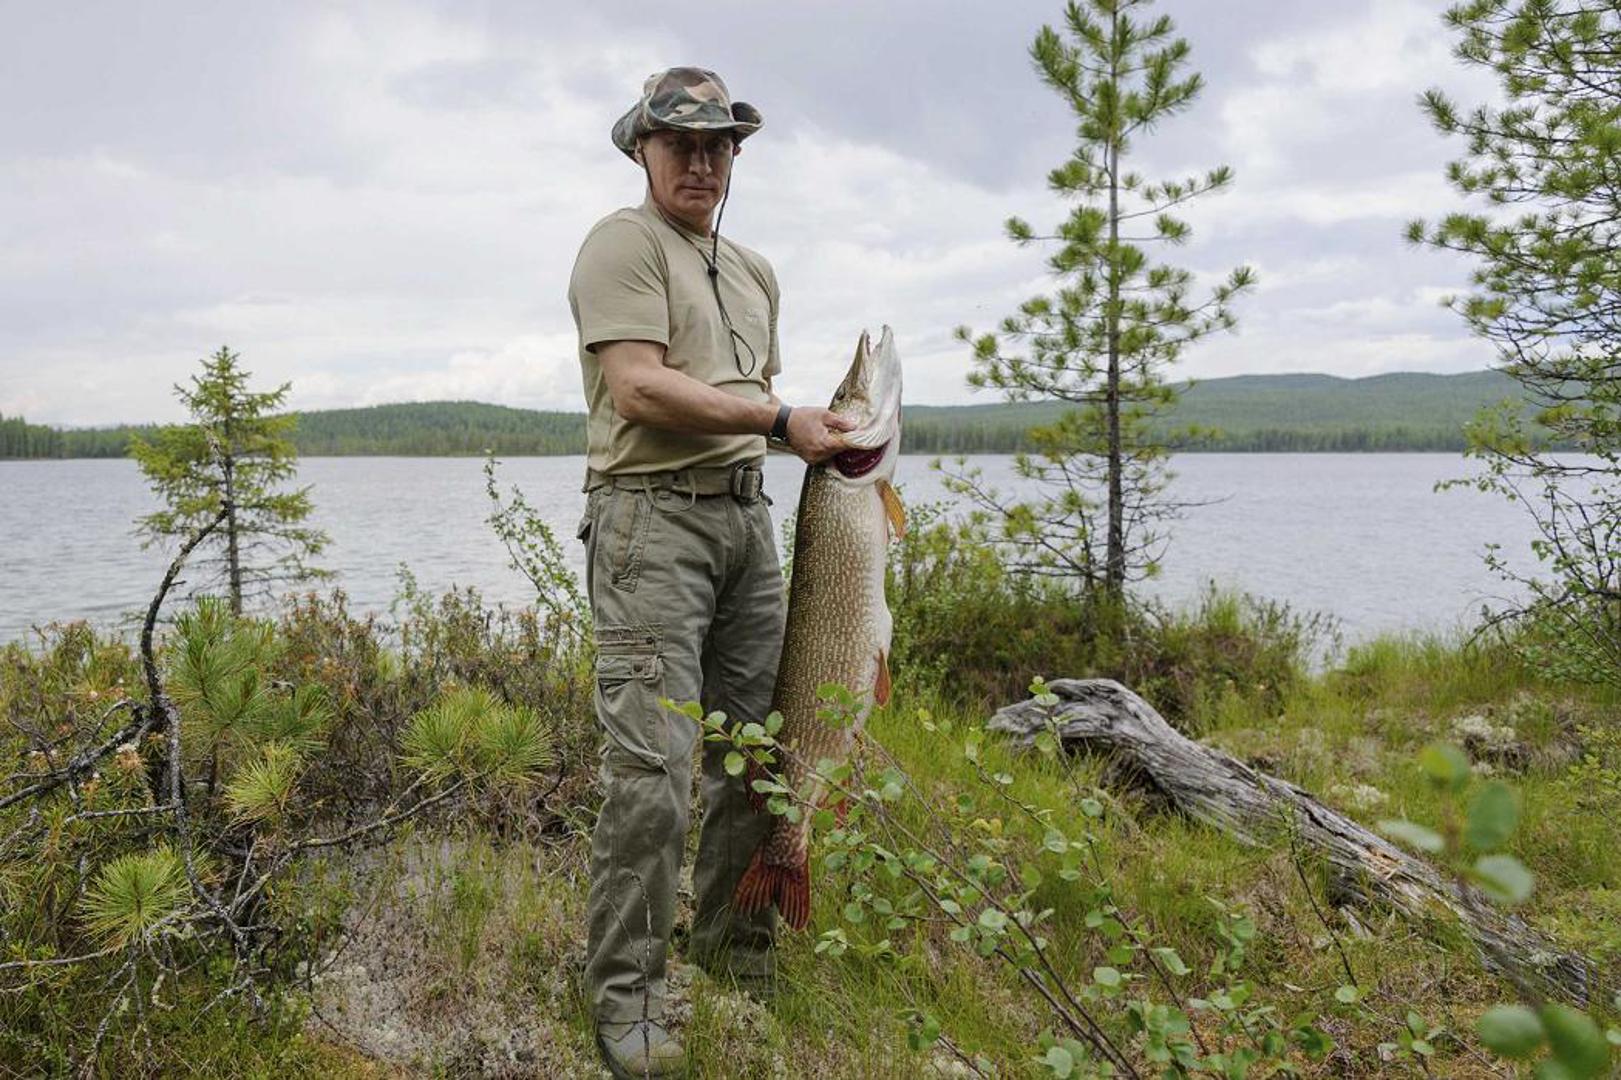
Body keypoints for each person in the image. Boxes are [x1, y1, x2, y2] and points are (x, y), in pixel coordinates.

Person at [567, 66, 852, 1079]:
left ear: (736, 156)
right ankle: (627, 997)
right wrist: (781, 420)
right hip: (652, 530)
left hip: (747, 528)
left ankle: (734, 961)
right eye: (678, 142)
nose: (699, 160)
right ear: (642, 149)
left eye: (717, 144)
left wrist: (817, 440)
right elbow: (641, 389)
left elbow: (737, 404)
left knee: (756, 756)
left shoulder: (754, 271)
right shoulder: (621, 245)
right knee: (651, 778)